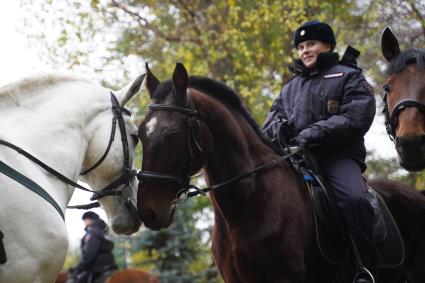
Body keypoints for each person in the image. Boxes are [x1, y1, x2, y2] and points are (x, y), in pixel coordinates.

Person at [263, 21, 377, 282]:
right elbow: (270, 122)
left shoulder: (348, 75)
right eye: (301, 46)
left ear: (328, 45)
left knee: (355, 200)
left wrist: (314, 132)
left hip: (336, 157)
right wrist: (277, 129)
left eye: (311, 44)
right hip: (296, 160)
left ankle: (365, 267)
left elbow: (357, 116)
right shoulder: (290, 86)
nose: (305, 50)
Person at [69, 211, 118, 283]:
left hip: (97, 268)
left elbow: (90, 253)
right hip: (110, 265)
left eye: (85, 220)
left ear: (89, 219)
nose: (84, 222)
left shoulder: (93, 232)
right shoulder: (105, 232)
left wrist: (79, 268)